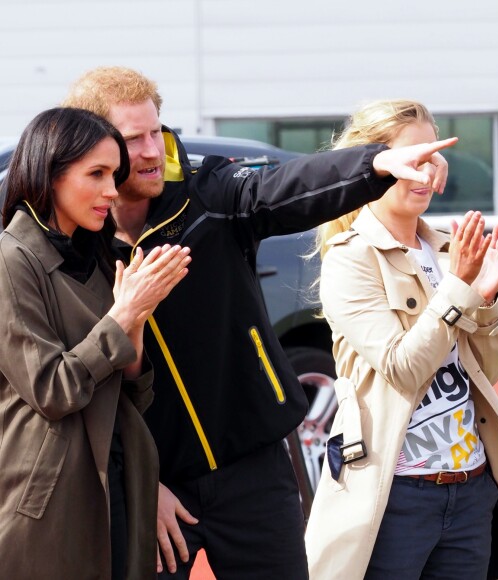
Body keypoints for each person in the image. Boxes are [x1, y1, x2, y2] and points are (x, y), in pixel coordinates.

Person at [61, 66, 458, 580]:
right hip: (150, 484)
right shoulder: (75, 244)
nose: (152, 151)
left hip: (254, 467)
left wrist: (377, 164)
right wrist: (139, 480)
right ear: (97, 146)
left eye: (154, 131)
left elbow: (283, 187)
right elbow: (82, 386)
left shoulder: (209, 194)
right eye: (131, 138)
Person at [304, 99, 498, 579]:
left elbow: (486, 372)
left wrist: (488, 299)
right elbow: (404, 368)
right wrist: (459, 289)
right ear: (377, 164)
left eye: (434, 156)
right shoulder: (351, 259)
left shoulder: (448, 249)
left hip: (471, 486)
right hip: (395, 493)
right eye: (415, 156)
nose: (426, 171)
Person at [0, 107, 191, 580]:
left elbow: (132, 394)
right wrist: (123, 314)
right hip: (48, 496)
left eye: (115, 174)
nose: (112, 190)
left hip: (119, 478)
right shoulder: (10, 261)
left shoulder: (99, 256)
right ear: (50, 173)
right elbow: (52, 389)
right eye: (98, 174)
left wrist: (137, 321)